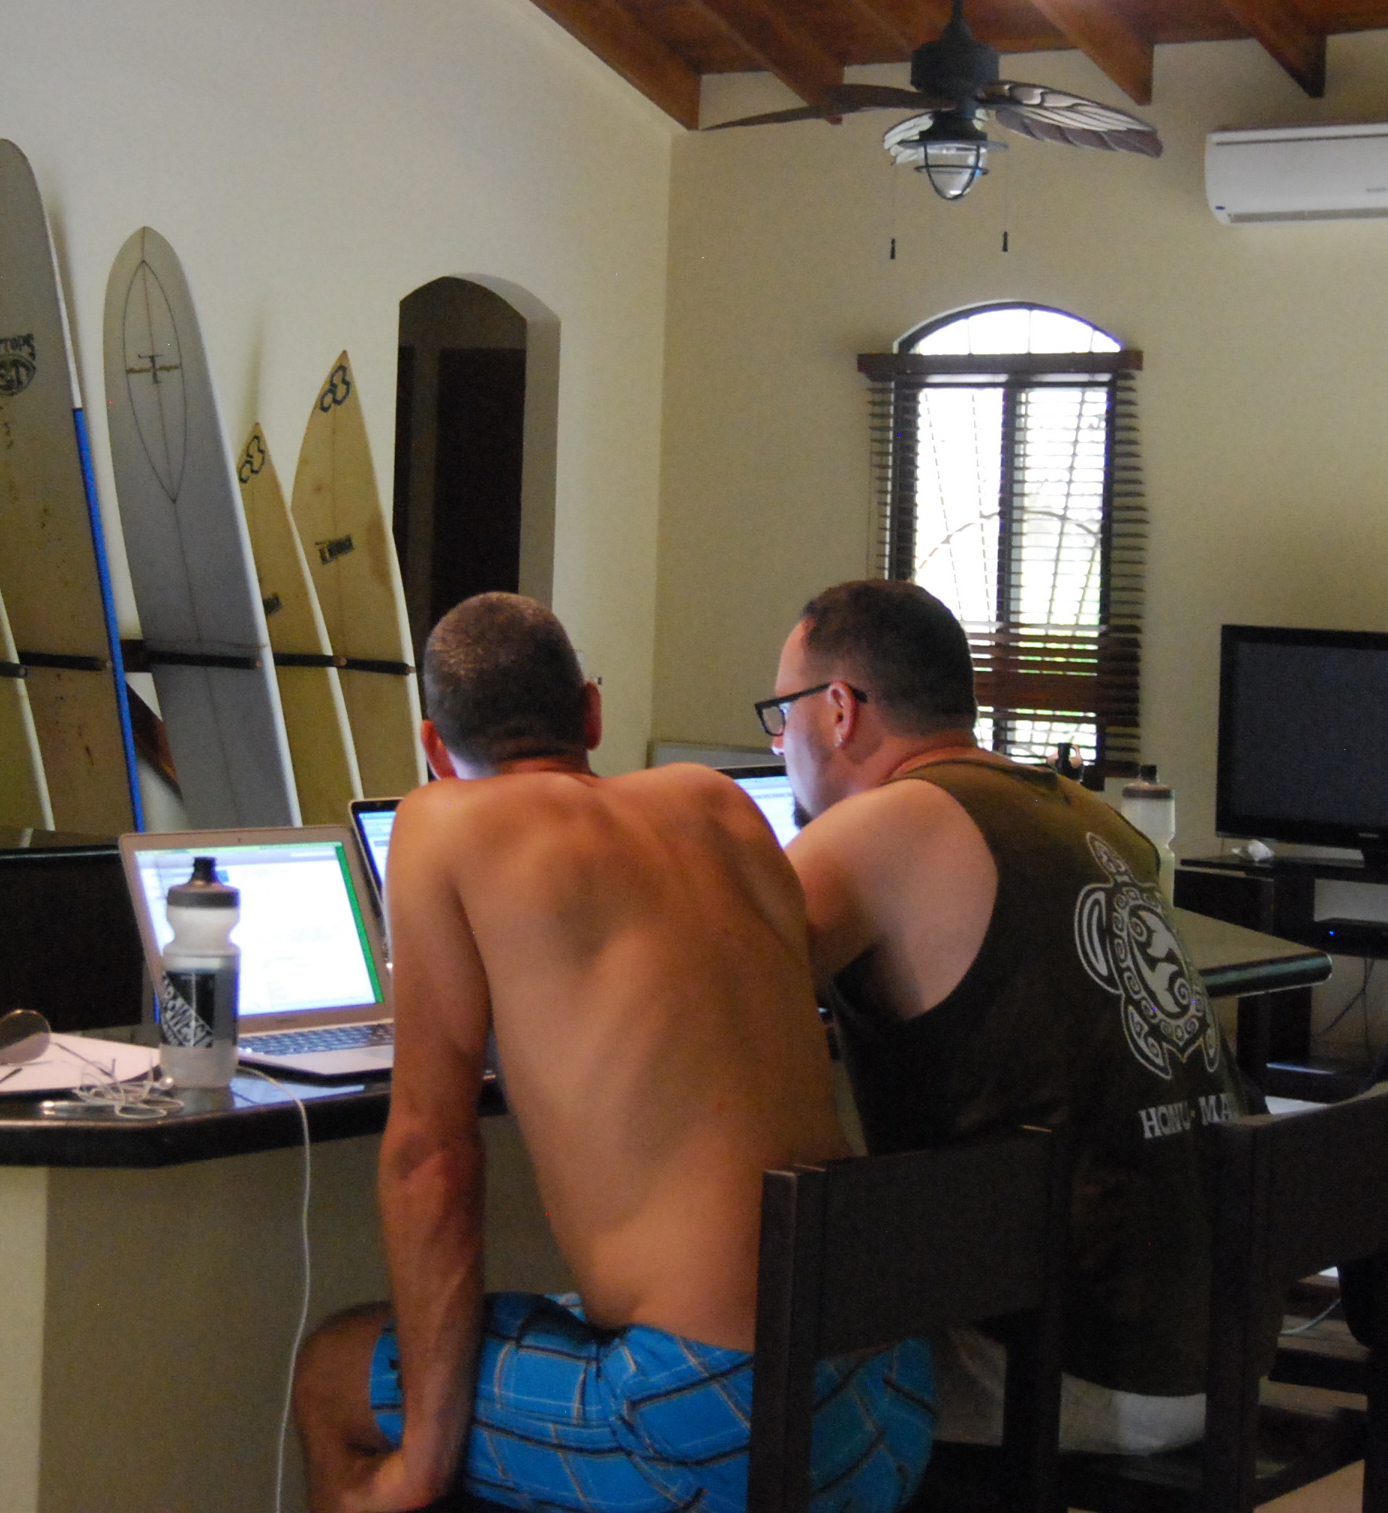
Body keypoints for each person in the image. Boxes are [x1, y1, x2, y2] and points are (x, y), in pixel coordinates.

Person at [290, 592, 933, 1513]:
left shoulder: (443, 823)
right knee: (556, 1316)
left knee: (332, 1374)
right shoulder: (716, 801)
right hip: (886, 1394)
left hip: (721, 1430)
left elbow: (429, 1157)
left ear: (435, 748)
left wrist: (422, 1465)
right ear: (591, 712)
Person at [768, 580, 1245, 1457]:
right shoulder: (1092, 817)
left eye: (781, 711)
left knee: (713, 1387)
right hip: (1217, 1348)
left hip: (1064, 1365)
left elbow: (688, 1004)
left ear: (838, 710)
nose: (778, 739)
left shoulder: (885, 824)